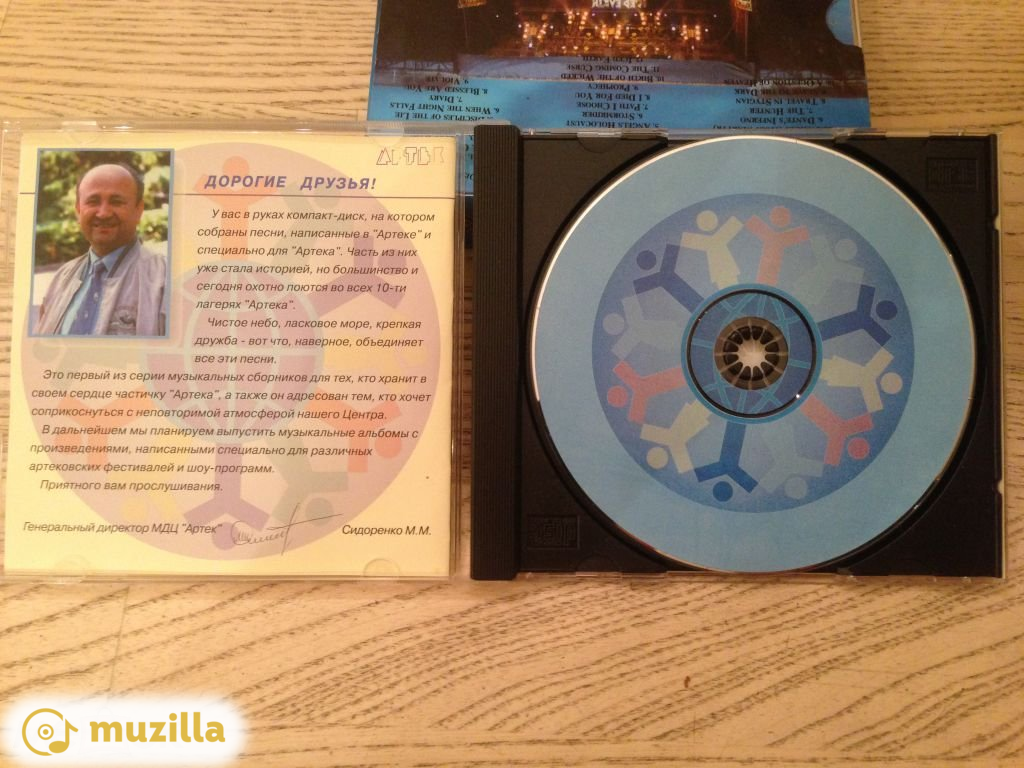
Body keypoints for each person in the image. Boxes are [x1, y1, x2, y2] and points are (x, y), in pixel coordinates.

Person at [35, 162, 167, 336]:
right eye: (93, 201)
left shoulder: (164, 279)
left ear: (139, 210)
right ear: (78, 210)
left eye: (116, 202)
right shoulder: (61, 278)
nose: (103, 213)